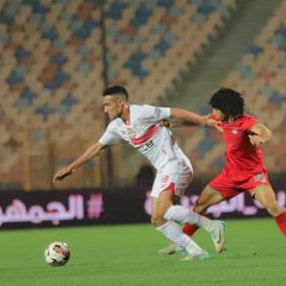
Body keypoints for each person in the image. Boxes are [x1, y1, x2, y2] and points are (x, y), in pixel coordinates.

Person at [53, 86, 224, 261]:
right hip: (163, 169)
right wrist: (71, 168)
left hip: (175, 163)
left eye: (107, 105)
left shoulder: (142, 112)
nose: (105, 110)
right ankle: (195, 251)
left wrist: (203, 120)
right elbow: (97, 147)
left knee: (165, 209)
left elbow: (175, 112)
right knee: (157, 218)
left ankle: (212, 225)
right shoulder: (116, 126)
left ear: (120, 103)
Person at [175, 87, 286, 257]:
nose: (213, 113)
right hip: (229, 176)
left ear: (226, 110)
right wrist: (173, 124)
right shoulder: (221, 119)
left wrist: (260, 138)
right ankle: (182, 243)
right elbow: (202, 120)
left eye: (216, 109)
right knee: (200, 205)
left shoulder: (247, 123)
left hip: (253, 176)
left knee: (273, 207)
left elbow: (265, 132)